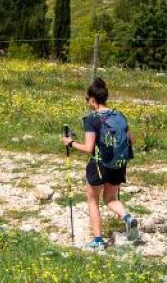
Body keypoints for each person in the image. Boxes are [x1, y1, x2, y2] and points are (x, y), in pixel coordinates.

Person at [61, 77, 140, 250]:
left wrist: (70, 143)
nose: (88, 102)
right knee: (110, 198)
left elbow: (89, 148)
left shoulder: (92, 119)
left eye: (88, 99)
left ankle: (98, 241)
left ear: (93, 99)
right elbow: (131, 140)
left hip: (98, 165)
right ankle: (127, 217)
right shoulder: (119, 115)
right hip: (118, 164)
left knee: (93, 200)